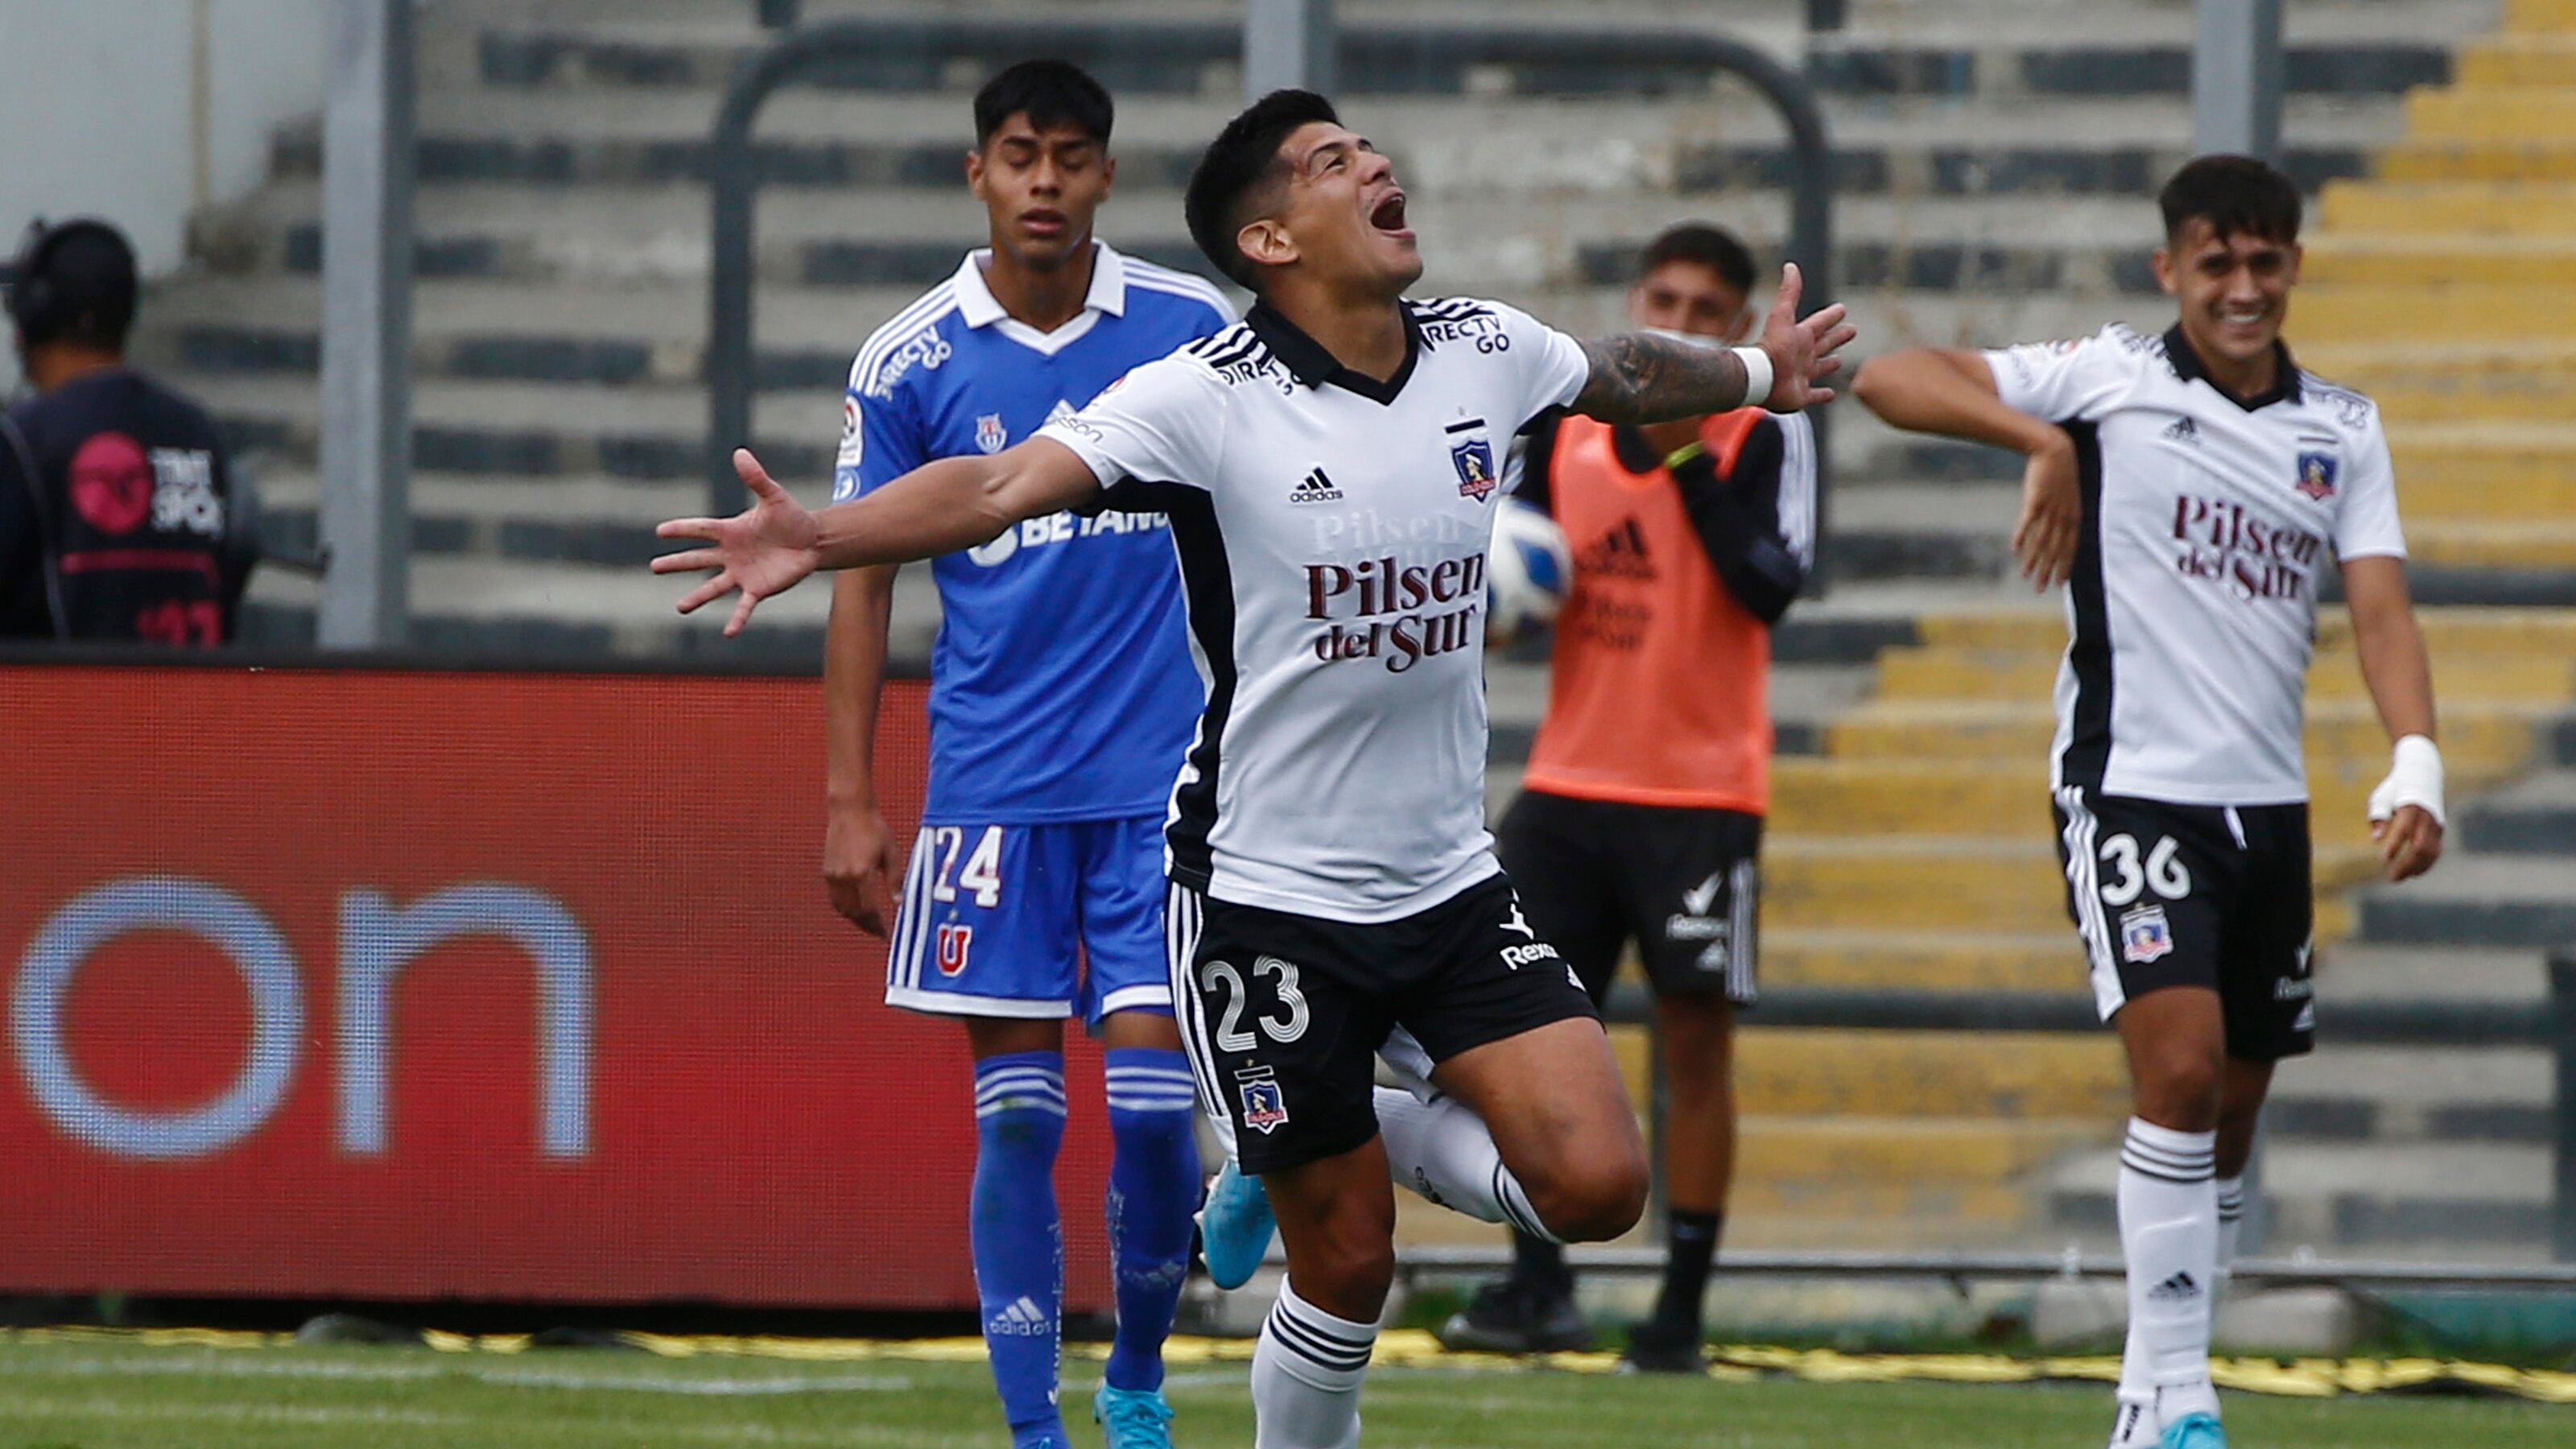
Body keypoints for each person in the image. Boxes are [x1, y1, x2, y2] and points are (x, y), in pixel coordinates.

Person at [655, 89, 1851, 1449]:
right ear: (1272, 239)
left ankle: (1353, 1126)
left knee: (1594, 1187)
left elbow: (1620, 373)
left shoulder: (1482, 349)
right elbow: (992, 491)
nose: (1378, 166)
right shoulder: (1202, 399)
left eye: (1370, 151)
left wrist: (1758, 377)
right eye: (1335, 163)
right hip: (1262, 899)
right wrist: (824, 535)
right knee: (1347, 1268)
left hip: (1450, 884)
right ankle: (1309, 1152)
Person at [1853, 154, 2443, 1449]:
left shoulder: (2340, 428)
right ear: (2170, 268)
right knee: (2175, 1074)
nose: (2243, 287)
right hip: (2131, 790)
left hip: (2268, 811)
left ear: (2293, 266)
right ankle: (2168, 1398)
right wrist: (2042, 440)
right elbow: (1890, 374)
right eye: (2215, 263)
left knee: (2227, 1114)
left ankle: (2162, 1369)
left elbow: (2384, 609)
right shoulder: (2111, 378)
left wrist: (2416, 758)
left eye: (2265, 260)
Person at [815, 60, 1232, 1449]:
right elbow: (862, 578)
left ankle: (1139, 1375)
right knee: (1016, 1124)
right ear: (976, 176)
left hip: (1158, 792)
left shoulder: (1190, 330)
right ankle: (1033, 1432)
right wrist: (851, 800)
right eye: (1017, 156)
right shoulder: (911, 360)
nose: (1043, 181)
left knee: (1162, 1112)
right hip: (993, 792)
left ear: (1109, 176)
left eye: (1070, 158)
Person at [1438, 221, 1814, 1371]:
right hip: (1566, 786)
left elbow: (1768, 588)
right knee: (1519, 1033)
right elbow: (1502, 579)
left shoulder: (1760, 437)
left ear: (1740, 327)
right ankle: (1537, 1285)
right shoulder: (1566, 436)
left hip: (1701, 793)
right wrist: (1500, 604)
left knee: (1695, 1051)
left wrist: (1687, 450)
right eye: (1666, 299)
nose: (1684, 322)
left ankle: (1680, 1318)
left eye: (1709, 308)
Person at [0, 217, 250, 643]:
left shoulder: (23, 440)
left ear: (33, 319)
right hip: (189, 708)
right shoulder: (199, 431)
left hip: (60, 708)